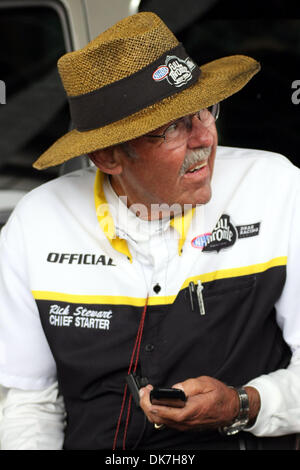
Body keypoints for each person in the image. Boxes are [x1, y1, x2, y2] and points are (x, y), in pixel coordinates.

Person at [0, 11, 299, 451]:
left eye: (205, 110)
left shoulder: (275, 187)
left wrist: (242, 404)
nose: (205, 138)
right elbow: (30, 405)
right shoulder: (38, 222)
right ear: (107, 158)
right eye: (174, 126)